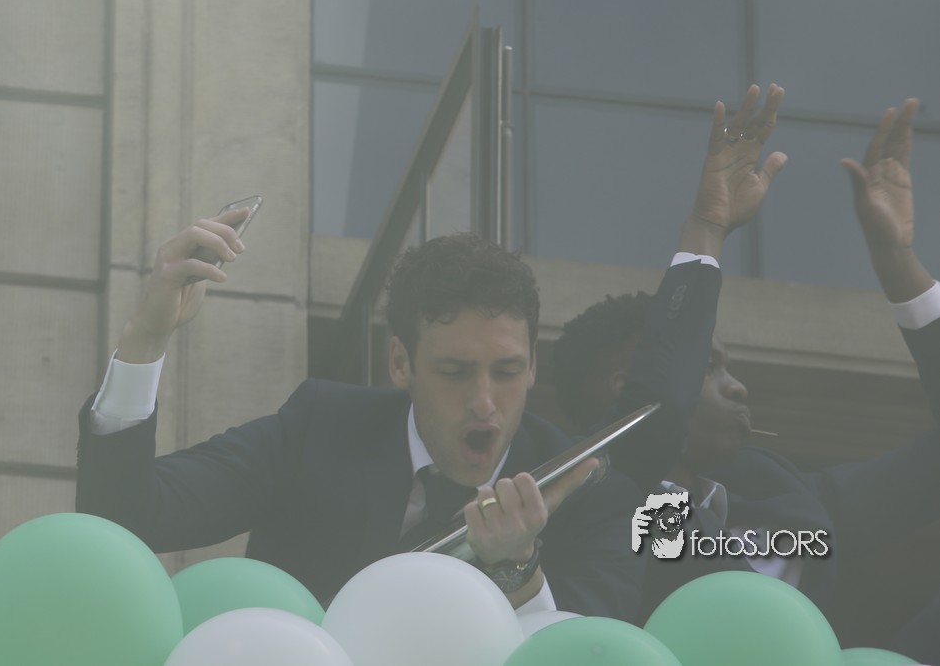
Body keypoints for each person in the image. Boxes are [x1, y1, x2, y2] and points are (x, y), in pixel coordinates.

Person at [76, 85, 787, 617]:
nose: (484, 401)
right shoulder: (321, 427)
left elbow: (591, 650)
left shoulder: (585, 490)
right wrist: (146, 338)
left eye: (506, 371)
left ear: (532, 369)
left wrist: (519, 573)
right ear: (399, 364)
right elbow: (125, 519)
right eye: (453, 371)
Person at [551, 99, 940, 641]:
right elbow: (665, 396)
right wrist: (707, 227)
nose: (737, 387)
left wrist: (896, 260)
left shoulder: (777, 488)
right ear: (623, 387)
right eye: (708, 368)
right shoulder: (581, 500)